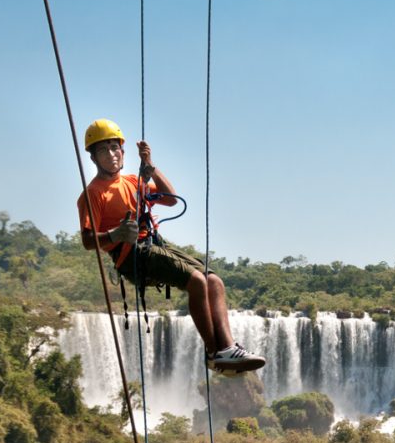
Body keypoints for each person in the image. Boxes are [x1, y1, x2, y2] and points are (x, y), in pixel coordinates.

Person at [77, 118, 265, 374]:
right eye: (103, 150)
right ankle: (213, 354)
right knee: (196, 281)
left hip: (154, 246)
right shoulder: (94, 194)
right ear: (93, 158)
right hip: (131, 256)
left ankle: (228, 349)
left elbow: (170, 199)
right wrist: (115, 234)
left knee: (214, 281)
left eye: (114, 147)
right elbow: (88, 240)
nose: (111, 154)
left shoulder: (134, 182)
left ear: (122, 150)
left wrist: (151, 168)